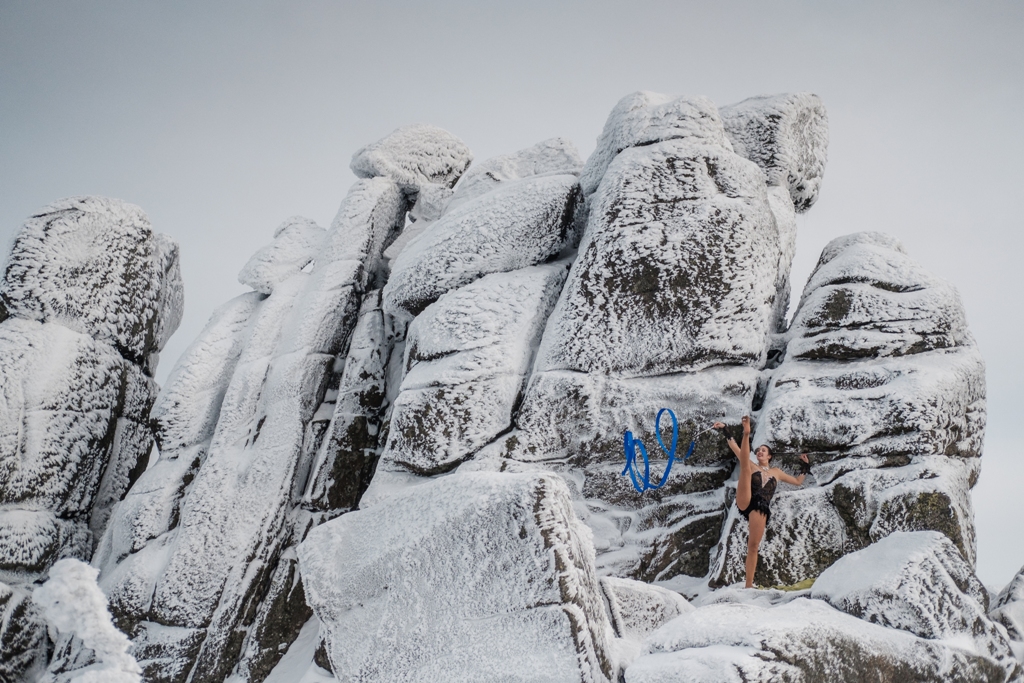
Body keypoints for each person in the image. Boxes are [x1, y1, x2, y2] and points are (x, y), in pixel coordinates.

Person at [712, 416, 810, 589]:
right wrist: (726, 430)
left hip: (761, 507)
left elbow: (797, 482)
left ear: (769, 456)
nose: (759, 452)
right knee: (745, 464)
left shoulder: (776, 472)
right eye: (758, 450)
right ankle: (746, 432)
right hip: (746, 499)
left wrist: (805, 466)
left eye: (763, 450)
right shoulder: (752, 465)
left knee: (753, 546)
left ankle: (748, 585)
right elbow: (735, 448)